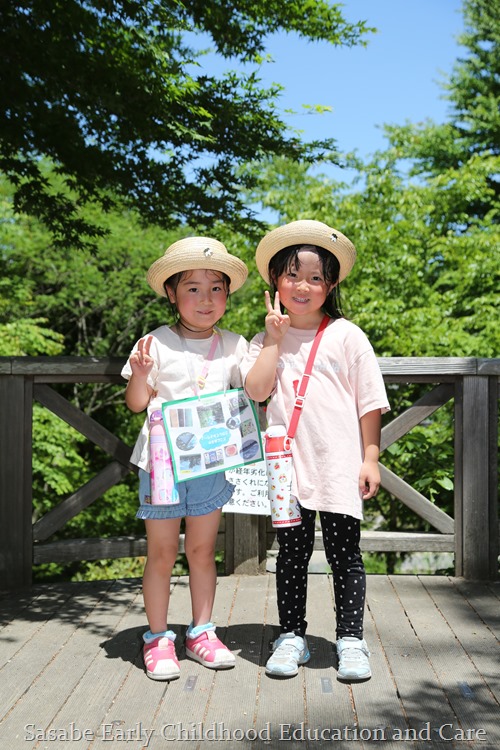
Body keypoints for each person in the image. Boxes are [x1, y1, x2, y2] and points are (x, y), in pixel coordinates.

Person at [242, 219, 389, 681]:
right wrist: (273, 339)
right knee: (291, 554)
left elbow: (370, 401)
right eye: (291, 275)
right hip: (287, 468)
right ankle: (292, 637)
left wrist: (370, 458)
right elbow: (257, 389)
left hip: (339, 464)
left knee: (346, 554)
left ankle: (350, 639)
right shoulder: (263, 339)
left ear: (331, 285)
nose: (302, 286)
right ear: (274, 281)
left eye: (315, 278)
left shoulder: (348, 336)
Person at [122, 236, 248, 681]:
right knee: (160, 552)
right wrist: (139, 376)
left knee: (202, 549)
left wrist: (272, 340)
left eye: (216, 288)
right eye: (192, 288)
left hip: (210, 464)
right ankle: (157, 638)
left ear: (227, 297)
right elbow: (136, 403)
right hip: (161, 465)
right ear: (172, 293)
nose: (206, 298)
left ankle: (201, 631)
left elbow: (257, 389)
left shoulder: (236, 345)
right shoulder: (153, 343)